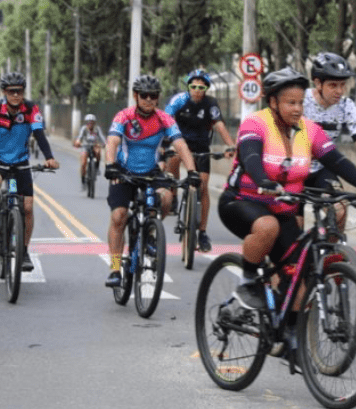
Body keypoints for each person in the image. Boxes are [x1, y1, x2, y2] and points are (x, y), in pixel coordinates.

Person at [218, 67, 356, 350]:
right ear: (273, 102)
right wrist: (263, 180)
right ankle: (248, 281)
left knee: (299, 275)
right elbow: (250, 156)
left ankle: (290, 337)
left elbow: (337, 161)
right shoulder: (256, 123)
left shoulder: (309, 131)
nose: (298, 109)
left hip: (282, 206)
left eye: (300, 102)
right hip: (242, 202)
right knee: (267, 227)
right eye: (290, 103)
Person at [102, 74, 201, 287]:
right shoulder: (124, 116)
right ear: (135, 96)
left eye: (153, 96)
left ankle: (150, 232)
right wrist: (110, 166)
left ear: (157, 98)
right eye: (144, 95)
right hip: (124, 172)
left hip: (152, 172)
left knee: (166, 199)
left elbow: (181, 145)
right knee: (119, 216)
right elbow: (112, 141)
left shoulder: (164, 119)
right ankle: (115, 268)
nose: (149, 99)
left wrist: (192, 171)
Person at [0, 72, 60, 272]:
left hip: (20, 162)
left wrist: (49, 157)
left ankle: (24, 251)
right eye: (12, 91)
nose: (16, 95)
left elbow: (39, 134)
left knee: (27, 207)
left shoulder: (31, 109)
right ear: (4, 92)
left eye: (20, 91)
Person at [302, 52, 356, 228]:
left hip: (321, 170)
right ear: (317, 83)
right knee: (292, 227)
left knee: (340, 209)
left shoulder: (346, 106)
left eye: (343, 85)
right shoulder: (300, 100)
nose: (339, 91)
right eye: (333, 85)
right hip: (293, 170)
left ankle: (330, 253)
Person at [163, 69, 236, 253]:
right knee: (173, 158)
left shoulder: (210, 104)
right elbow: (166, 120)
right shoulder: (179, 100)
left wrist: (230, 145)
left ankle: (202, 232)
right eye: (193, 86)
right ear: (188, 87)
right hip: (180, 144)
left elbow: (219, 125)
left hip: (202, 148)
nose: (197, 90)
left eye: (201, 87)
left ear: (206, 89)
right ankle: (173, 193)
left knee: (203, 187)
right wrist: (164, 142)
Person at [74, 113, 106, 186]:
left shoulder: (97, 129)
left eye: (92, 122)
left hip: (95, 145)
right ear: (86, 123)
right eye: (89, 122)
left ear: (94, 123)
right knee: (83, 163)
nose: (90, 124)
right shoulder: (84, 129)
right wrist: (78, 142)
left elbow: (102, 137)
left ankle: (97, 168)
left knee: (98, 152)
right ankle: (83, 178)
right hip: (85, 146)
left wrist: (105, 143)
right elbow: (80, 137)